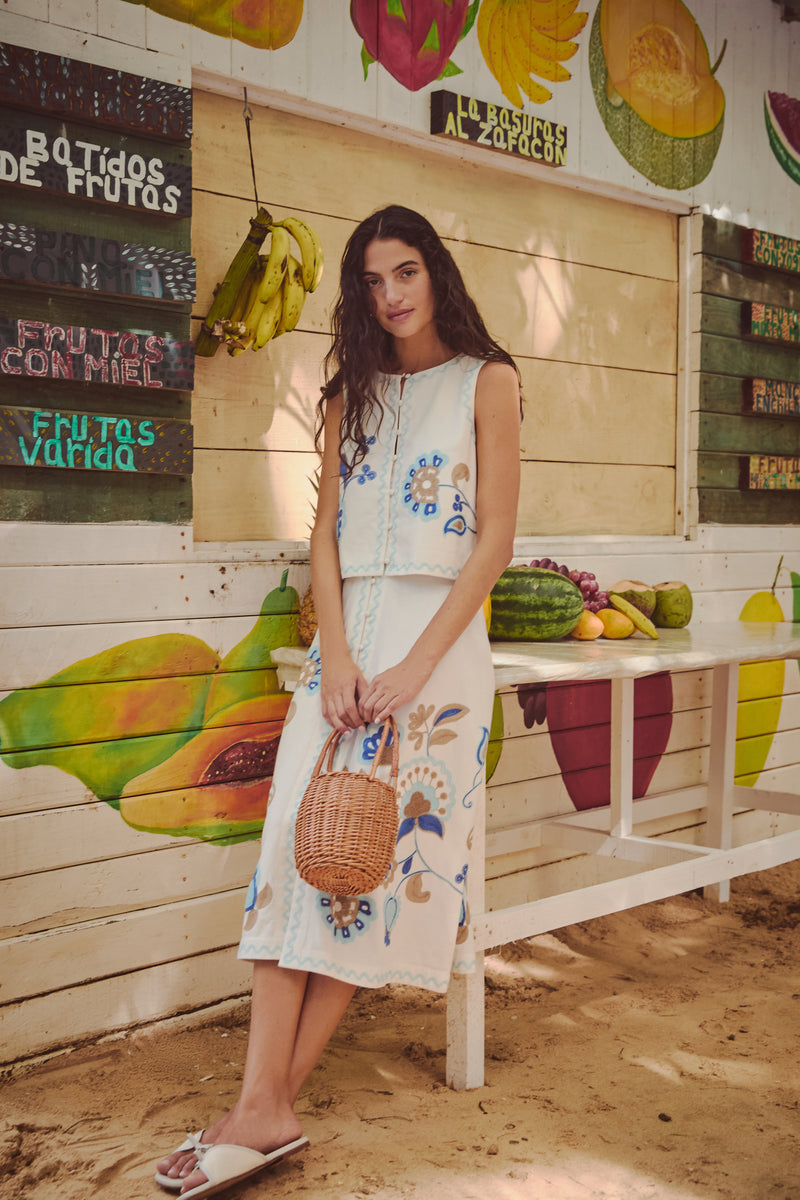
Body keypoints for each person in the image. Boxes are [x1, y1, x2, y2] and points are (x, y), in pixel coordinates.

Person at [155, 204, 521, 1198]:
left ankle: (265, 1110)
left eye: (404, 272)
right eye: (370, 281)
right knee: (291, 860)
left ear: (435, 274)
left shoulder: (488, 382)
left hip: (437, 660)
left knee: (365, 871)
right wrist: (342, 656)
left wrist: (411, 669)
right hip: (345, 652)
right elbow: (320, 539)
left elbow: (492, 539)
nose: (390, 295)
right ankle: (260, 1103)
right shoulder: (344, 395)